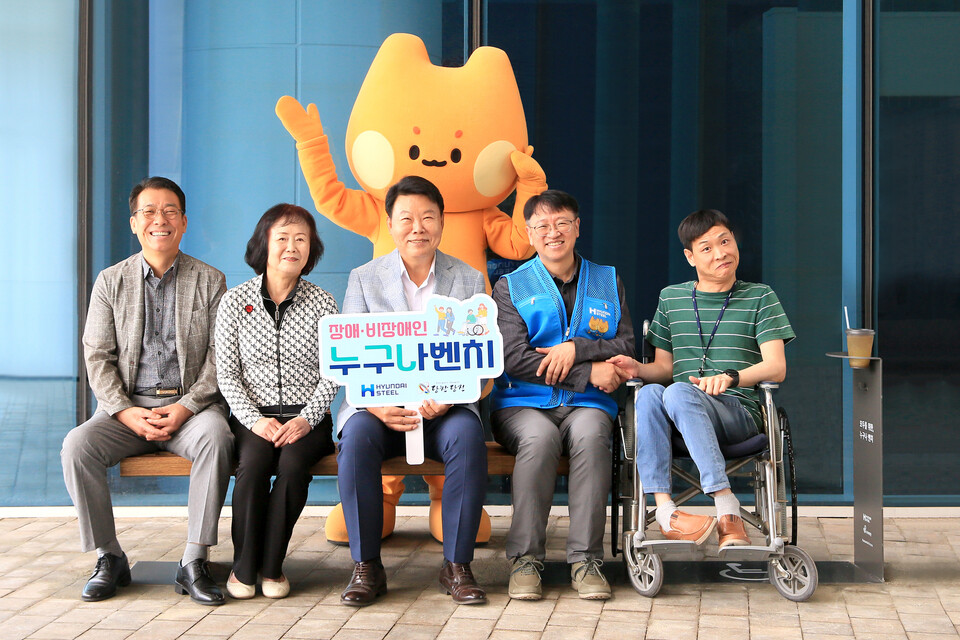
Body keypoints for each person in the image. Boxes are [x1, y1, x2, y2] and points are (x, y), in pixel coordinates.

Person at [61, 177, 234, 605]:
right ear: (134, 223)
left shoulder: (210, 280)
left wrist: (187, 407)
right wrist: (124, 411)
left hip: (191, 410)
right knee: (77, 446)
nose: (161, 219)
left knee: (217, 437)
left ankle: (194, 560)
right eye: (150, 212)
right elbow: (97, 355)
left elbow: (222, 356)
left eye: (170, 211)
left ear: (184, 222)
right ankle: (109, 556)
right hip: (127, 410)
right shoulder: (110, 281)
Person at [335, 176, 488, 607]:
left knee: (467, 436)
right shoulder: (364, 278)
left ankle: (457, 565)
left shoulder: (469, 279)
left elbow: (479, 357)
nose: (417, 227)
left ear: (442, 222)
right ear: (390, 224)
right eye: (406, 218)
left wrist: (450, 395)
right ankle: (366, 566)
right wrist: (377, 405)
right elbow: (349, 358)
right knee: (356, 437)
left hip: (445, 408)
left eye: (427, 217)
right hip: (380, 408)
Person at [609, 209, 795, 550]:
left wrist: (731, 378)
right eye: (707, 248)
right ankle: (667, 513)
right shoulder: (671, 299)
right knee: (649, 393)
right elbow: (664, 368)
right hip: (679, 413)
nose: (720, 253)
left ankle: (726, 506)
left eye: (725, 242)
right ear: (690, 256)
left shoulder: (760, 297)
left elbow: (776, 366)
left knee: (677, 392)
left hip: (736, 414)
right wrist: (637, 368)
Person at [490, 190, 635, 601]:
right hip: (522, 403)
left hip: (588, 405)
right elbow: (514, 358)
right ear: (529, 233)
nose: (552, 233)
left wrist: (576, 348)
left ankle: (586, 560)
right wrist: (588, 371)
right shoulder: (510, 287)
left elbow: (625, 343)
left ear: (577, 227)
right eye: (542, 226)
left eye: (561, 223)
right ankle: (525, 560)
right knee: (540, 439)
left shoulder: (607, 280)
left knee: (592, 435)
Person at [215, 204, 339, 599]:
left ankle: (271, 566)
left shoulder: (323, 303)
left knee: (293, 465)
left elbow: (334, 372)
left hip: (307, 420)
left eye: (301, 239)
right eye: (282, 238)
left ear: (311, 249)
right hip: (253, 419)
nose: (292, 246)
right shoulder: (235, 302)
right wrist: (255, 421)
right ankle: (243, 567)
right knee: (252, 466)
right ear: (263, 244)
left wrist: (307, 419)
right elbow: (227, 374)